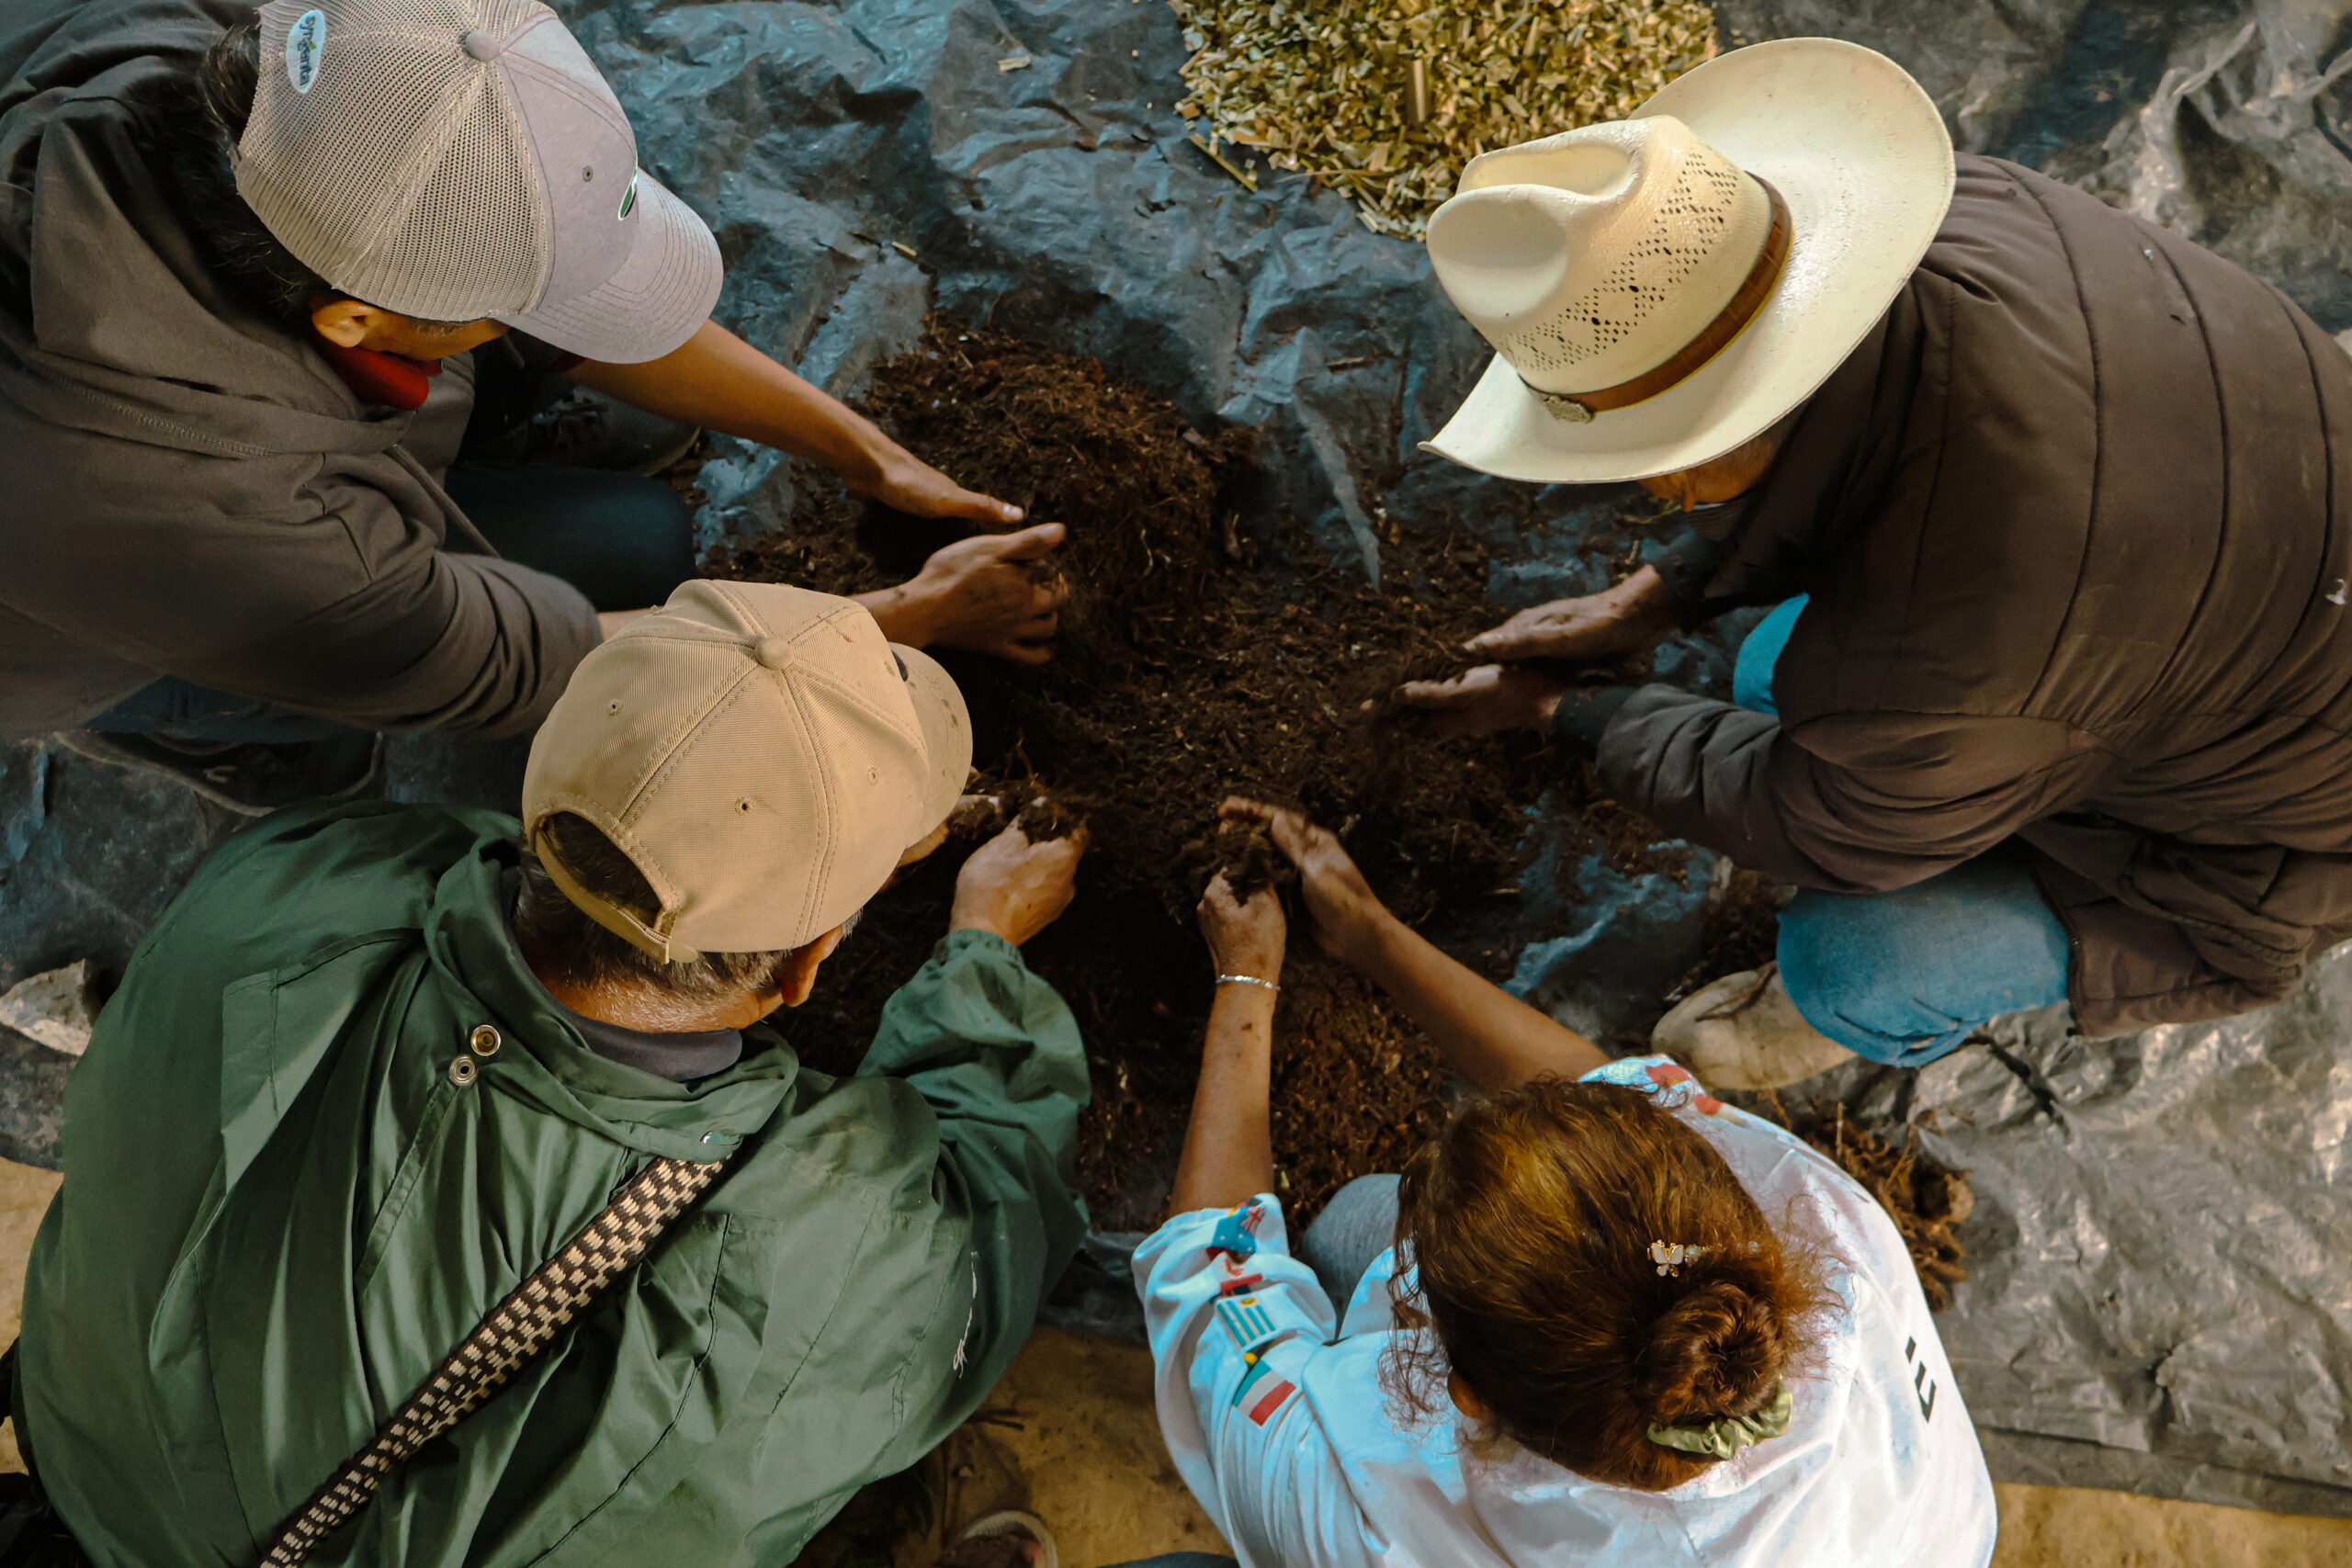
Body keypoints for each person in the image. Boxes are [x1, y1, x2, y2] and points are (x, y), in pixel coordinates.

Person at [13, 581, 1092, 1563]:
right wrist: (984, 951)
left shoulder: (284, 886)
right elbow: (989, 1233)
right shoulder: (816, 1271)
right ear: (807, 967)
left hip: (84, 1477)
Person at [1392, 37, 2352, 1086]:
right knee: (1783, 677)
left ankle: (1855, 1011)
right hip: (2215, 600)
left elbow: (1821, 827)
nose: (1646, 489)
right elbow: (1837, 445)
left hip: (2271, 849)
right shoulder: (1959, 217)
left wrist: (1568, 714)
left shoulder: (1946, 657)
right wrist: (1653, 600)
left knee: (1851, 950)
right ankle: (1991, 789)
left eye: (1646, 461)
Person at [0, 0, 1067, 814]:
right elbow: (504, 660)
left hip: (259, 438)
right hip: (91, 609)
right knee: (628, 546)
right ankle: (213, 726)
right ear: (353, 325)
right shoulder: (212, 522)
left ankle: (447, 432)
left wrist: (861, 451)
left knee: (616, 511)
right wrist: (904, 620)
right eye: (512, 311)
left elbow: (471, 251)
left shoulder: (304, 56)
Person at [1133, 797, 1996, 1568]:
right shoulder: (1818, 1217)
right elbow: (1608, 1086)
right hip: (1929, 1536)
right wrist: (1368, 930)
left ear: (1461, 1393)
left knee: (1359, 1220)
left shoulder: (1380, 1532)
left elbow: (1213, 1280)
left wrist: (1246, 977)